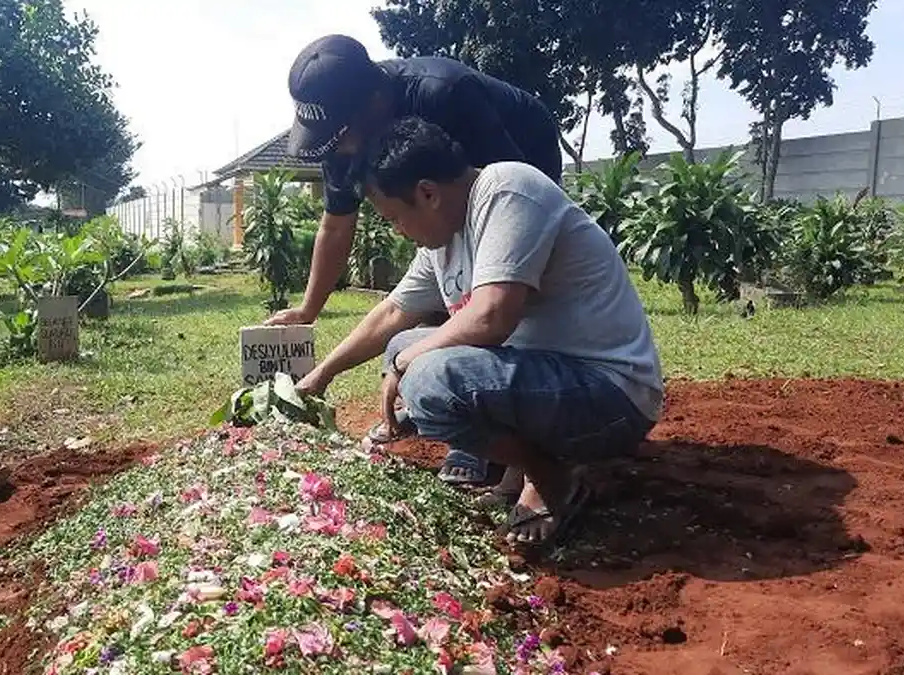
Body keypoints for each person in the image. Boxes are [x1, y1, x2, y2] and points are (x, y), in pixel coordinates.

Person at [296, 117, 664, 547]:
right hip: (551, 382)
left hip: (609, 394)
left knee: (429, 379)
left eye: (394, 217)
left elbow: (492, 317)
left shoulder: (507, 189)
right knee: (405, 342)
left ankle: (551, 477)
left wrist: (405, 365)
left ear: (427, 194)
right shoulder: (443, 239)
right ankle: (523, 470)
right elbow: (392, 312)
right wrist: (321, 376)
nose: (398, 230)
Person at [270, 33, 564, 491]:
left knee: (488, 282)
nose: (339, 149)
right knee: (437, 286)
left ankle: (503, 438)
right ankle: (457, 400)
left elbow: (508, 197)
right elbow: (336, 224)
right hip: (449, 197)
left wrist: (419, 357)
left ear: (374, 101)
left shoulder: (442, 95)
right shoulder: (340, 136)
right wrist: (309, 312)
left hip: (521, 150)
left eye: (342, 135)